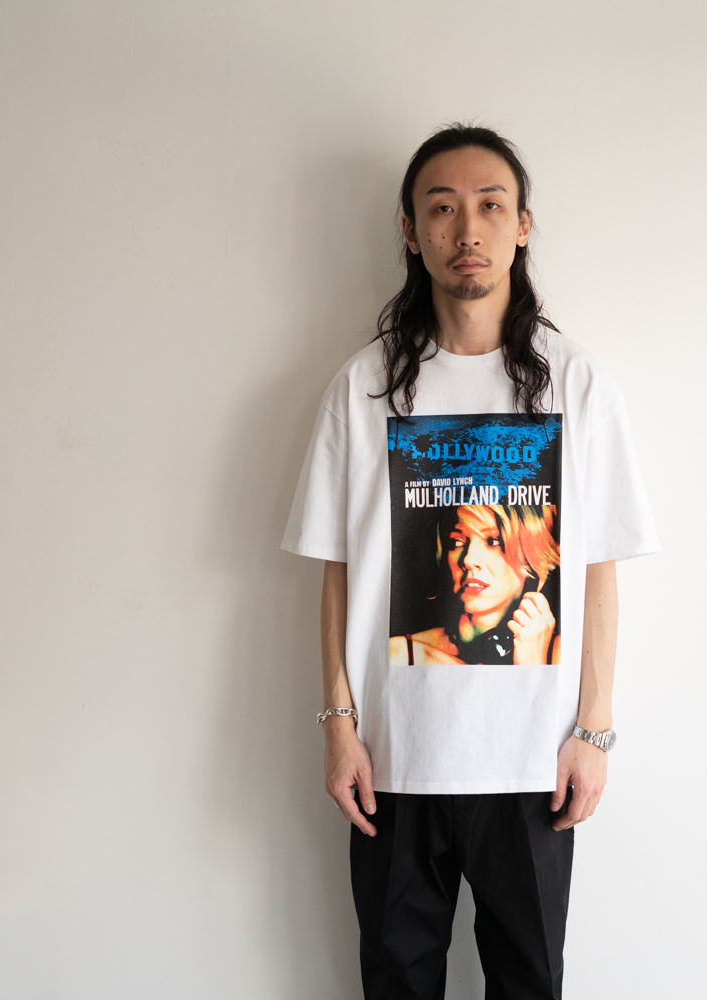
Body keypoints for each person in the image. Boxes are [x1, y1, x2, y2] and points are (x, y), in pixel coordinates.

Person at [282, 123, 659, 1000]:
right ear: (411, 232)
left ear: (523, 225)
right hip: (393, 763)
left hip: (534, 767)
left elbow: (597, 568)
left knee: (530, 984)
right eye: (442, 208)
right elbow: (337, 569)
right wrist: (338, 724)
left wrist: (594, 730)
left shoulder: (577, 384)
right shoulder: (363, 387)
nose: (468, 230)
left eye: (491, 206)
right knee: (395, 984)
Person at [388, 502, 562, 666]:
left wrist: (532, 662)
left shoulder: (560, 653)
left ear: (534, 558)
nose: (468, 560)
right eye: (457, 542)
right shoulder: (401, 654)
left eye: (493, 541)